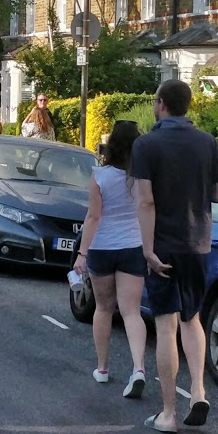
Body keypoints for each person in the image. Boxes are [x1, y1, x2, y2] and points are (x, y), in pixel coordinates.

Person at [131, 79, 218, 434]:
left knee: (165, 324)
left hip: (163, 245)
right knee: (192, 319)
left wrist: (147, 249)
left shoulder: (146, 145)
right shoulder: (208, 143)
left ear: (160, 104)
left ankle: (169, 413)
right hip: (198, 244)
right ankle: (199, 392)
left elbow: (145, 201)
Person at [72, 120, 148, 397]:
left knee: (103, 309)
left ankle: (102, 368)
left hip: (102, 247)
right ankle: (138, 368)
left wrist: (83, 253)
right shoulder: (141, 177)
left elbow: (93, 216)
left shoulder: (99, 176)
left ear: (111, 145)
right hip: (133, 246)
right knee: (131, 311)